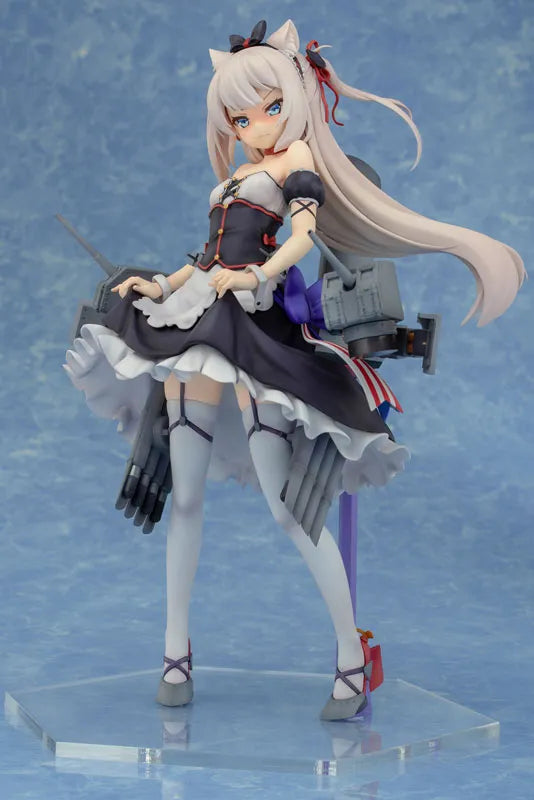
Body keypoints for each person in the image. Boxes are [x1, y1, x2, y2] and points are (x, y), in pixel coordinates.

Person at [64, 19, 525, 720]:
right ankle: (175, 651)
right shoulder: (236, 176)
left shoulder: (296, 163)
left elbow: (302, 237)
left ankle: (349, 656)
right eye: (240, 117)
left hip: (253, 324)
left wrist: (255, 276)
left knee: (288, 509)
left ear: (296, 99)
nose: (256, 125)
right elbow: (206, 255)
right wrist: (160, 286)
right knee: (184, 496)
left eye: (270, 106)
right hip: (201, 316)